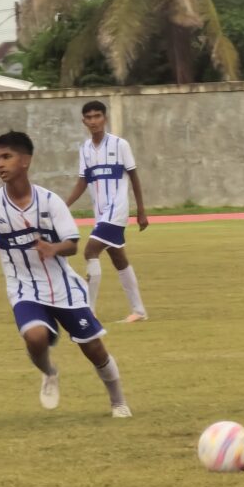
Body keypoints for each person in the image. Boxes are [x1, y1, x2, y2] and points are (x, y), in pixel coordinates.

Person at [0, 131, 132, 418]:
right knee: (34, 338)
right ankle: (49, 372)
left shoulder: (51, 202)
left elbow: (73, 245)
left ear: (25, 161)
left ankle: (118, 401)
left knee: (94, 348)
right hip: (23, 288)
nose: (0, 163)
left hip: (64, 287)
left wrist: (54, 248)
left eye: (7, 157)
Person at [66, 100, 149, 322]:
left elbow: (134, 177)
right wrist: (63, 206)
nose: (94, 121)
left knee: (90, 251)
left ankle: (89, 312)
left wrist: (141, 210)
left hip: (118, 210)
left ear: (105, 118)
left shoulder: (120, 145)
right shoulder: (84, 149)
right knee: (118, 258)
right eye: (89, 117)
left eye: (97, 116)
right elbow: (83, 181)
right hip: (101, 213)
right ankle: (139, 311)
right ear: (84, 121)